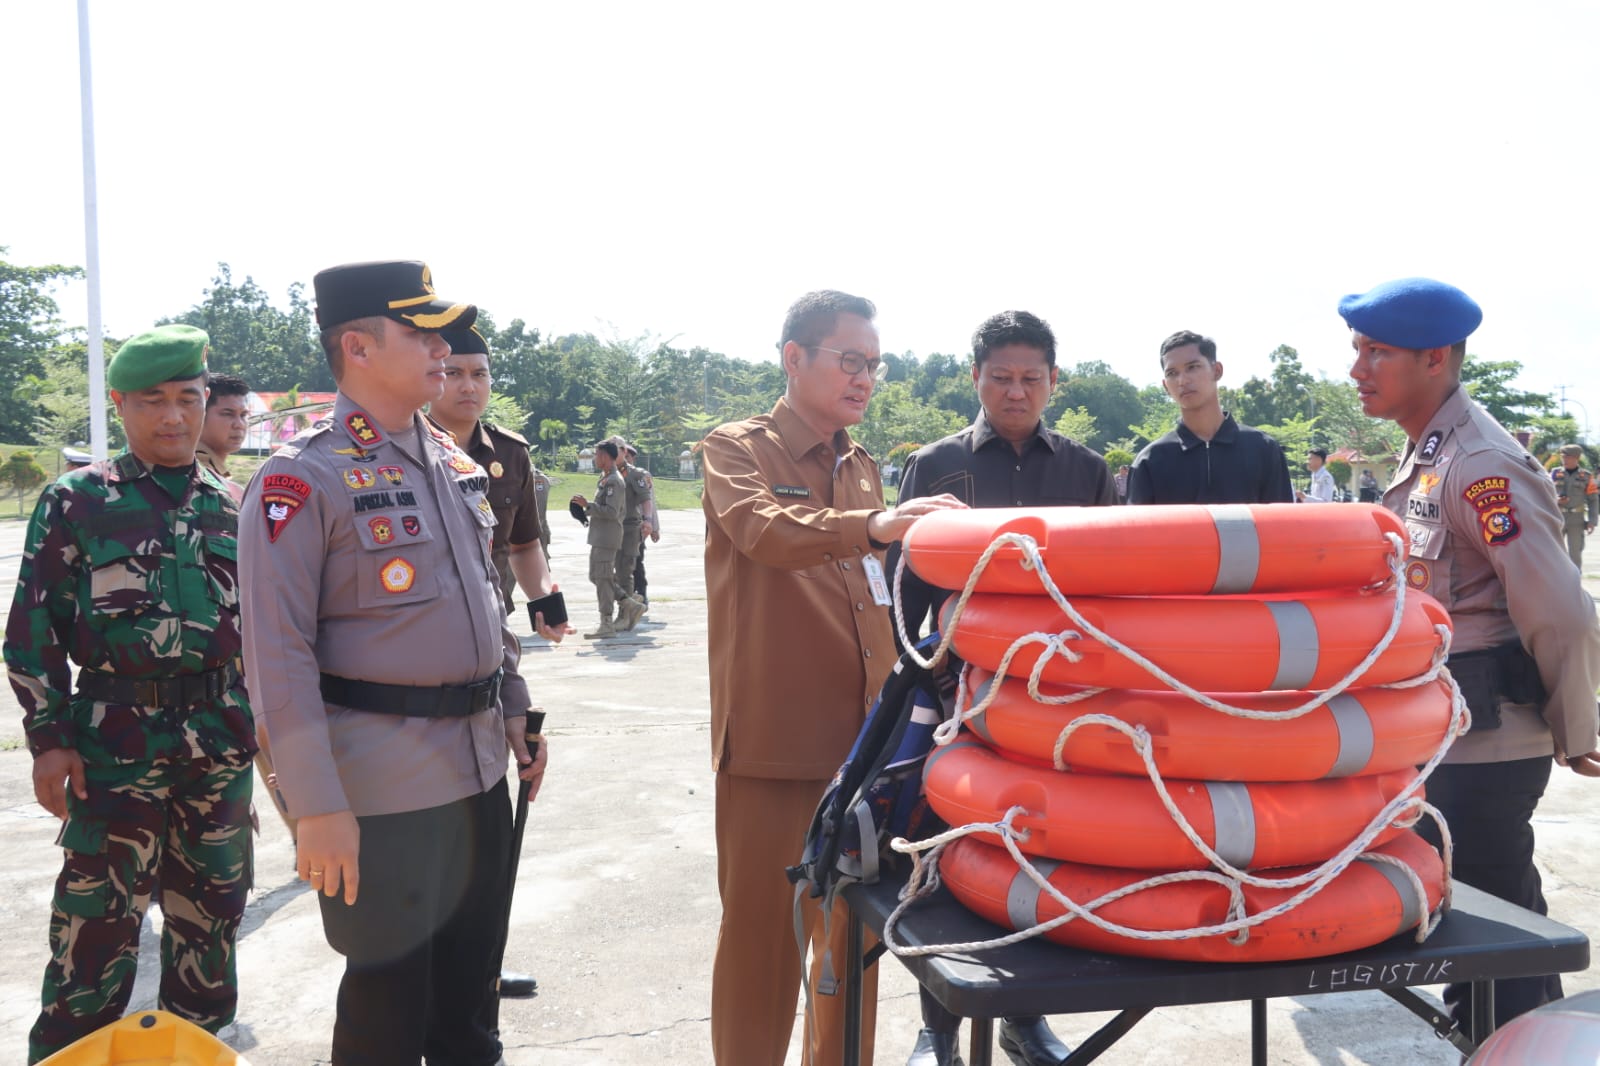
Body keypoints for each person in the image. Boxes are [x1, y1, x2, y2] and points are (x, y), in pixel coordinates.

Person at [238, 260, 545, 1066]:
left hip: (480, 772)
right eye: (421, 332)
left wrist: (512, 704)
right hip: (381, 795)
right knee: (387, 1015)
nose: (442, 348)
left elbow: (486, 595)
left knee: (470, 1007)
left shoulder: (450, 460)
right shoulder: (302, 476)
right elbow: (277, 662)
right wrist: (317, 809)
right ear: (358, 348)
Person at [701, 289, 964, 1066]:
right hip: (775, 744)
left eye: (874, 366)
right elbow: (764, 531)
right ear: (795, 358)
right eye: (850, 361)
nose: (865, 379)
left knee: (849, 940)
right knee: (761, 939)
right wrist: (874, 526)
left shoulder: (862, 465)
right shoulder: (736, 449)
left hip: (866, 749)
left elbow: (877, 594)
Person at [1340, 276, 1600, 1032]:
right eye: (1357, 348)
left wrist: (1575, 729)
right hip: (1441, 735)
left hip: (1485, 744)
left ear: (1436, 358)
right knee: (1478, 932)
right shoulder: (1427, 452)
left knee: (1491, 939)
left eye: (1377, 351)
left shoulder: (1480, 462)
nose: (1358, 368)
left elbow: (1560, 612)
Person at [5, 324, 256, 1063]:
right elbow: (31, 632)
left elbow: (270, 638)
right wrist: (48, 740)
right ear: (120, 405)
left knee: (210, 926)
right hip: (113, 743)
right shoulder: (78, 499)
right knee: (96, 930)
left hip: (218, 743)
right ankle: (66, 1054)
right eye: (154, 401)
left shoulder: (235, 504)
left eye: (189, 397)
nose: (174, 416)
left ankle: (197, 1049)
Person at [887, 309, 1108, 1066]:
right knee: (944, 852)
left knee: (1044, 851)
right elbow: (906, 583)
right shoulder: (935, 466)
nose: (1017, 393)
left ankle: (1029, 1018)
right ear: (974, 377)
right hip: (960, 703)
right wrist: (932, 668)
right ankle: (936, 1026)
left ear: (1054, 381)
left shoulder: (1086, 470)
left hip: (1055, 707)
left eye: (1031, 379)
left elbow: (1114, 590)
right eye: (1001, 378)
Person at [432, 322, 572, 1003]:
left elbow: (523, 544)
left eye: (479, 374)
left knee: (490, 823)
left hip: (490, 641)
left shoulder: (508, 454)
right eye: (453, 372)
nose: (467, 386)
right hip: (419, 649)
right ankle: (424, 977)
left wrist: (547, 600)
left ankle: (481, 970)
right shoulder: (400, 447)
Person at [1127, 331, 1294, 504]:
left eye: (1192, 367)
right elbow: (1138, 529)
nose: (1182, 380)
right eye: (1172, 373)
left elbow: (1283, 527)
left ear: (1217, 370)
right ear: (1165, 386)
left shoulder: (1263, 449)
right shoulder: (1150, 461)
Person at [571, 439, 636, 638]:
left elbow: (611, 511)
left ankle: (606, 623)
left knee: (602, 577)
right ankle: (628, 602)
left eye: (597, 454)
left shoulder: (615, 481)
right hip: (600, 537)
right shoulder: (605, 478)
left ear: (606, 457)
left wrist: (587, 505)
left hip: (607, 537)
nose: (595, 458)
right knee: (597, 576)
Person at [608, 436, 651, 629]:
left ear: (624, 452)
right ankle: (631, 603)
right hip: (611, 529)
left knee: (625, 571)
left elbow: (646, 499)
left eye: (616, 450)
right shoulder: (607, 473)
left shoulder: (635, 475)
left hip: (629, 529)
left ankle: (624, 615)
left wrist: (649, 521)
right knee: (607, 573)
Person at [196, 371, 251, 503]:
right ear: (199, 415)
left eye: (243, 415)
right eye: (228, 414)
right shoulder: (196, 472)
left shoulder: (212, 469)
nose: (239, 425)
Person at [622, 441, 659, 607]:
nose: (625, 459)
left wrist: (654, 528)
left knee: (636, 561)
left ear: (633, 458)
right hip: (618, 526)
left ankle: (641, 592)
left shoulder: (642, 475)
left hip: (638, 526)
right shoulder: (613, 474)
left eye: (627, 456)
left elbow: (650, 503)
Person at [1551, 443, 1597, 569]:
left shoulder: (1586, 476)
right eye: (1562, 457)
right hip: (1558, 517)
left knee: (1575, 553)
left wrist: (1592, 521)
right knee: (1555, 551)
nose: (1564, 460)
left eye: (1567, 457)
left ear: (1576, 458)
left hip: (1577, 519)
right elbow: (1545, 494)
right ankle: (1556, 581)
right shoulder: (1554, 474)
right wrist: (1556, 500)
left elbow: (1593, 500)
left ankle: (1575, 582)